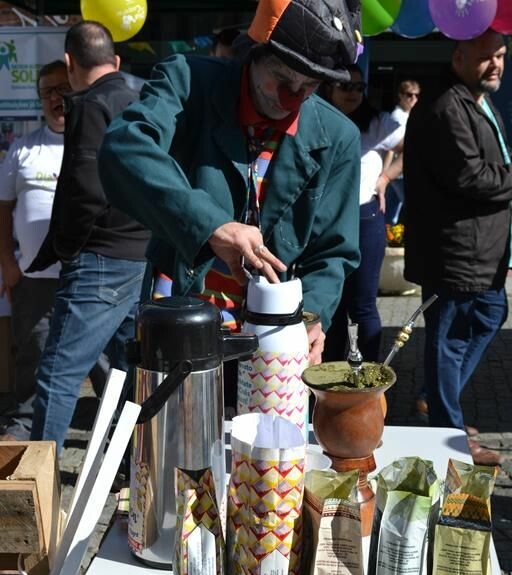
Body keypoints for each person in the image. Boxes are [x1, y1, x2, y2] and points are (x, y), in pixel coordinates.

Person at [99, 0, 363, 392]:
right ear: (253, 53)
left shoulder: (339, 138)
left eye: (307, 88)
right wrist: (212, 226)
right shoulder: (188, 81)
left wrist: (312, 317)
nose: (291, 99)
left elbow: (333, 253)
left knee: (267, 450)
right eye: (282, 79)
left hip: (273, 344)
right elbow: (123, 149)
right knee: (171, 446)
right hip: (180, 326)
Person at [26, 21, 150, 453]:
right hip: (138, 256)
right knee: (123, 374)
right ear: (115, 62)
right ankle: (132, 470)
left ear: (69, 63)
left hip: (101, 257)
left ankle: (40, 493)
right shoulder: (139, 100)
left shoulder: (91, 104)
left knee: (58, 375)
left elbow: (86, 190)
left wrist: (66, 247)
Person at [404, 28, 511, 466]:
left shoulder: (477, 102)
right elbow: (471, 178)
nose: (497, 64)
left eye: (501, 55)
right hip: (455, 251)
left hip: (483, 250)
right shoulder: (448, 106)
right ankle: (449, 438)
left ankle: (434, 396)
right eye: (487, 56)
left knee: (491, 313)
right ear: (459, 57)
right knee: (448, 341)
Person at [0, 61, 71, 441]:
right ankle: (24, 422)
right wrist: (8, 263)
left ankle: (113, 433)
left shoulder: (93, 140)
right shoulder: (23, 148)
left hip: (86, 277)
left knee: (105, 361)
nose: (57, 98)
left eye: (63, 89)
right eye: (48, 92)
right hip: (33, 278)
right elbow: (3, 207)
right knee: (32, 352)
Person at [323, 64, 404, 362]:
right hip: (325, 223)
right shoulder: (315, 117)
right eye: (347, 86)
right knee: (330, 304)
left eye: (359, 87)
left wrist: (385, 178)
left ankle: (367, 377)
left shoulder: (376, 122)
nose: (354, 93)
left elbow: (411, 146)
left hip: (365, 218)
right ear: (329, 87)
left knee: (363, 305)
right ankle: (327, 376)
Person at [384, 78, 420, 224]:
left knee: (390, 213)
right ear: (401, 95)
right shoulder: (397, 117)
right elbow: (390, 147)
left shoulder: (408, 115)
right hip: (398, 172)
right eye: (409, 95)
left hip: (400, 171)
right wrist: (385, 173)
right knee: (414, 208)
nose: (414, 98)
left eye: (417, 95)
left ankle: (387, 239)